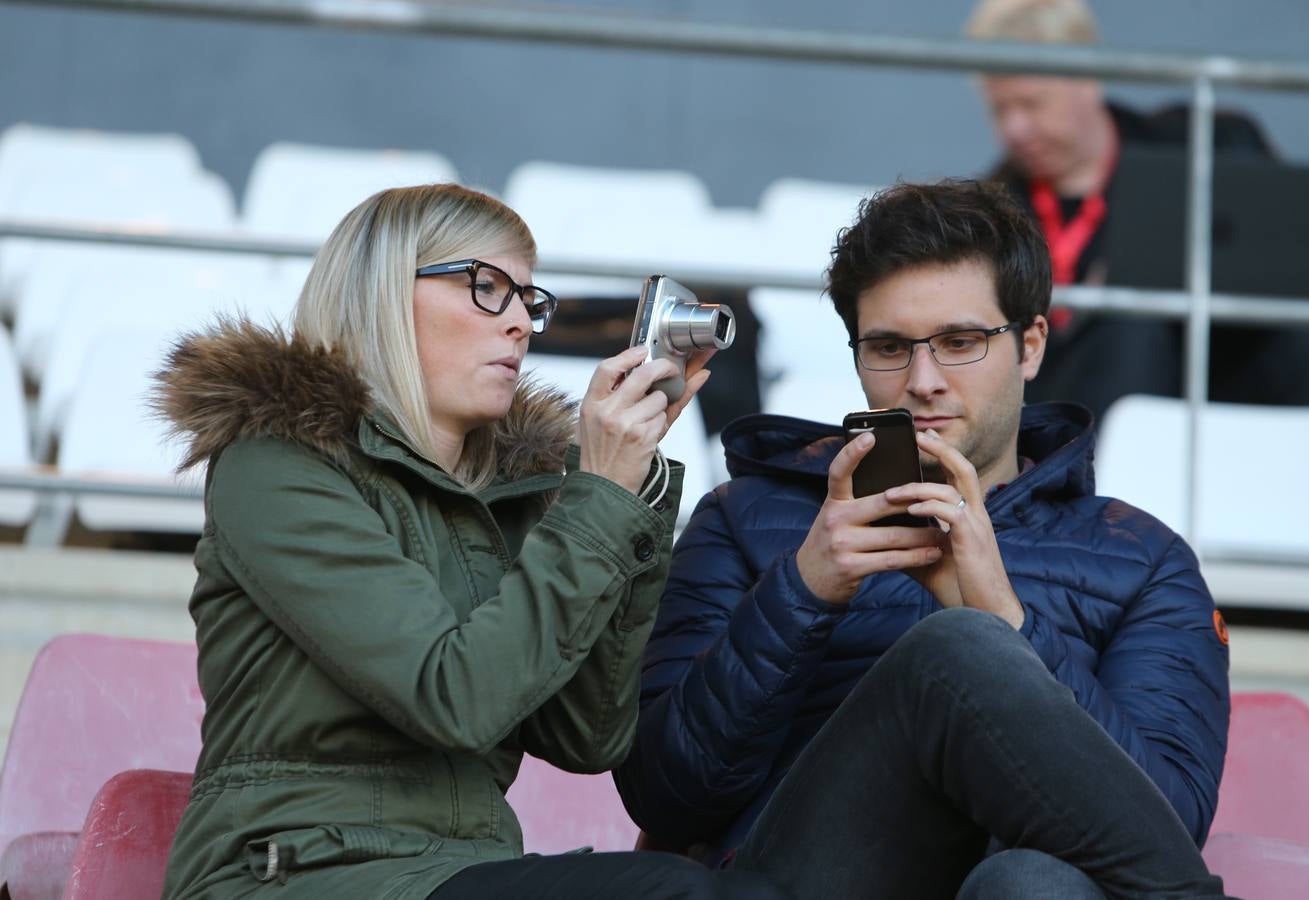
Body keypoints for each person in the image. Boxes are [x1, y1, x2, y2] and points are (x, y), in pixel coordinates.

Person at [151, 183, 787, 900]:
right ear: (384, 294)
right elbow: (452, 697)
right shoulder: (277, 465)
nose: (521, 322)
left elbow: (587, 736)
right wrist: (597, 501)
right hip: (293, 872)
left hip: (457, 869)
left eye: (528, 298)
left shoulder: (513, 497)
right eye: (488, 288)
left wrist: (625, 492)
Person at [614, 179, 1231, 899]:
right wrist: (804, 589)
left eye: (961, 342)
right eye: (888, 347)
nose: (922, 380)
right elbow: (665, 797)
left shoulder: (1144, 561)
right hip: (805, 879)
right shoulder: (745, 519)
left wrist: (1006, 614)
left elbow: (1169, 824)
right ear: (856, 354)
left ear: (1031, 344)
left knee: (1031, 883)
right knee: (956, 648)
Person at [965, 0, 1309, 421]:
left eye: (1032, 104)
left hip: (1236, 369)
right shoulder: (991, 210)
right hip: (1084, 389)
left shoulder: (1209, 144)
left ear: (1087, 78)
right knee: (1133, 319)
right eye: (999, 109)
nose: (1015, 128)